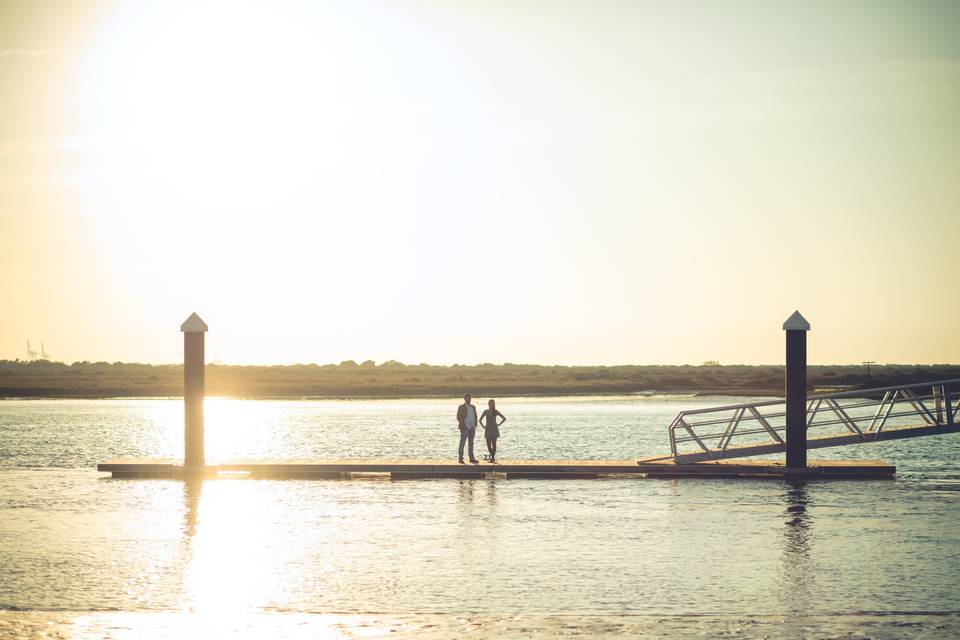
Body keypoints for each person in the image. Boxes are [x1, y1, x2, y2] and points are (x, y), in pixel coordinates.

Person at [479, 399, 506, 463]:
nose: (490, 404)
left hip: (494, 429)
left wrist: (498, 424)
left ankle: (492, 458)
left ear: (494, 404)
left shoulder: (496, 411)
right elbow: (480, 420)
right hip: (488, 429)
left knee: (494, 444)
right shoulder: (485, 411)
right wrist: (483, 426)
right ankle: (493, 457)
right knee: (488, 445)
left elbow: (504, 418)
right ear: (488, 404)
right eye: (489, 403)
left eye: (492, 403)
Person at [456, 393, 480, 464]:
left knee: (471, 443)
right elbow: (458, 417)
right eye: (467, 398)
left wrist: (475, 425)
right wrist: (464, 424)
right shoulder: (461, 407)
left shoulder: (473, 407)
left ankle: (471, 458)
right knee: (462, 443)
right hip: (464, 427)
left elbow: (475, 416)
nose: (468, 399)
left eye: (469, 398)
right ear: (464, 399)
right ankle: (460, 458)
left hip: (472, 427)